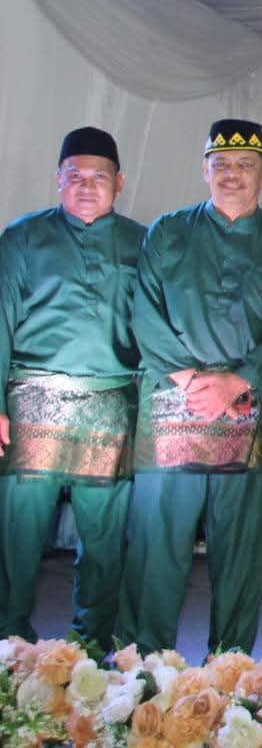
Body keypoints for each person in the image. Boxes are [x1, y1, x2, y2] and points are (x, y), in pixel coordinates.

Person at [122, 119, 262, 654]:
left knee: (241, 554)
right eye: (220, 164)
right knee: (155, 547)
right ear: (204, 170)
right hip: (172, 403)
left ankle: (229, 672)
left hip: (249, 407)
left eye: (245, 165)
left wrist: (239, 381)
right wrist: (192, 380)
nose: (232, 175)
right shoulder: (168, 231)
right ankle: (142, 672)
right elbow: (144, 311)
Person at [0, 128, 146, 647]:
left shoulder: (141, 242)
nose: (86, 186)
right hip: (32, 401)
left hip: (110, 402)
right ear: (57, 179)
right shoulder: (23, 237)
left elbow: (155, 330)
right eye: (75, 176)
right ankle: (9, 640)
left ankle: (93, 643)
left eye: (99, 176)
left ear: (119, 182)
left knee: (104, 539)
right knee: (17, 536)